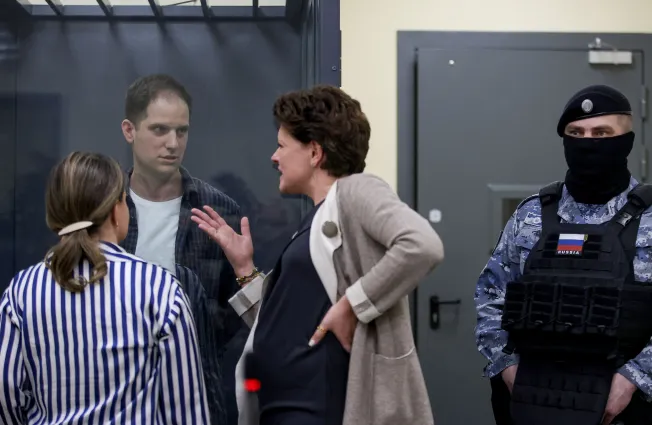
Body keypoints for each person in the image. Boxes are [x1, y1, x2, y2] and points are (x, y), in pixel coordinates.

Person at [191, 85, 445, 425]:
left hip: (319, 407)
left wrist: (351, 305)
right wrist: (245, 269)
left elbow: (423, 244)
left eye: (282, 146)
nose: (274, 157)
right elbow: (291, 325)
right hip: (286, 408)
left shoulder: (356, 190)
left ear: (314, 152)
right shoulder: (315, 220)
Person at [474, 84, 652, 425]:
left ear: (626, 140)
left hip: (629, 405)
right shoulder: (530, 215)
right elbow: (490, 296)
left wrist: (633, 380)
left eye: (601, 133)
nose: (587, 142)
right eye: (576, 133)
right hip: (534, 400)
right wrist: (507, 368)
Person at [0, 151, 210, 424]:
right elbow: (185, 413)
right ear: (116, 210)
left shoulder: (22, 292)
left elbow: (6, 398)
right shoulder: (159, 289)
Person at [120, 73, 246, 424]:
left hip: (196, 393)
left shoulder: (217, 210)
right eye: (159, 130)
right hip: (116, 390)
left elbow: (235, 314)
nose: (173, 143)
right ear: (130, 131)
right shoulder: (104, 207)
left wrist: (201, 352)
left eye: (182, 131)